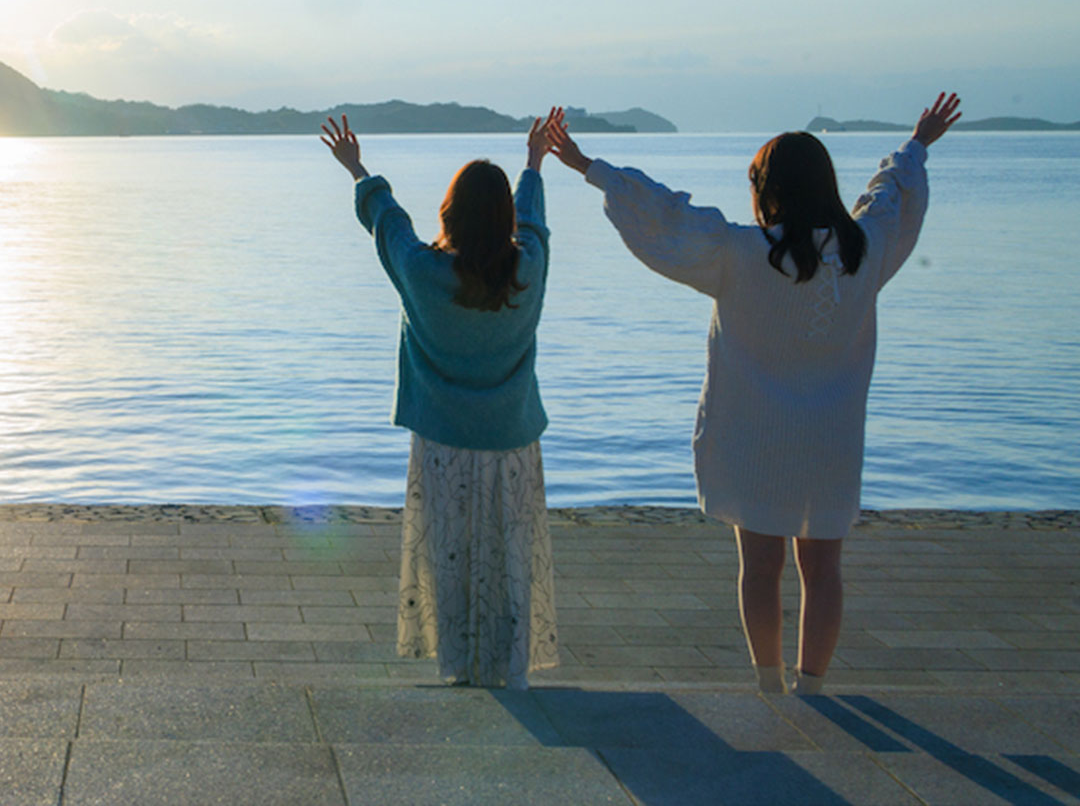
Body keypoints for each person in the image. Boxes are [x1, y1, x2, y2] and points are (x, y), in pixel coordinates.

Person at [544, 92, 963, 695]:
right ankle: (812, 687)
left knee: (760, 568)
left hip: (753, 436)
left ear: (766, 188)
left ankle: (770, 685)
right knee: (824, 572)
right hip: (832, 440)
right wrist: (917, 143)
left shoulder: (738, 252)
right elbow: (891, 199)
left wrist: (590, 168)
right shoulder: (862, 252)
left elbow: (666, 215)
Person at [322, 108, 564, 688]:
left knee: (449, 555)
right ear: (502, 216)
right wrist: (533, 164)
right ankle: (509, 670)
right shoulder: (528, 270)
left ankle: (457, 666)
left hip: (442, 443)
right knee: (508, 559)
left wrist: (358, 169)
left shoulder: (423, 273)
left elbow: (390, 224)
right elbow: (533, 224)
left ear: (450, 212)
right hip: (510, 441)